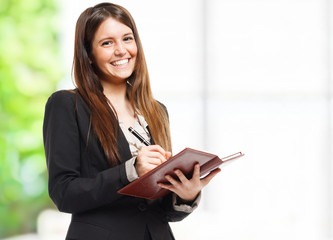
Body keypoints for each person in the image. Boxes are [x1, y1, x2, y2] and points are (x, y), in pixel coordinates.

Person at [43, 2, 220, 240]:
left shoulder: (156, 111)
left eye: (127, 39)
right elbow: (63, 193)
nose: (121, 50)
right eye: (107, 43)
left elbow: (160, 210)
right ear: (89, 54)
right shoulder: (68, 105)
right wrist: (131, 171)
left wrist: (185, 195)